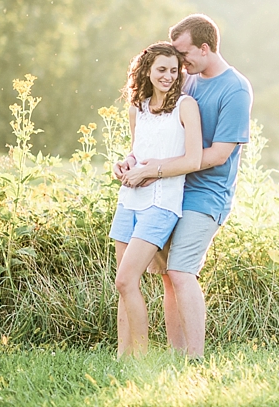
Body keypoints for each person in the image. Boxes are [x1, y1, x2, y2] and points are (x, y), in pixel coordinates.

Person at [115, 14, 252, 358]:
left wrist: (158, 169)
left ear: (204, 49)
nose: (178, 63)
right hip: (170, 190)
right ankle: (177, 353)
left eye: (183, 54)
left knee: (180, 270)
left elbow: (219, 154)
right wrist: (136, 162)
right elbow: (159, 133)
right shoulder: (187, 79)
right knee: (165, 274)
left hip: (206, 194)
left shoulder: (234, 89)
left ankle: (195, 357)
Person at [109, 42, 203, 357]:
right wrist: (123, 164)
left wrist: (154, 173)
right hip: (129, 200)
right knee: (124, 286)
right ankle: (123, 357)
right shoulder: (138, 107)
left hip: (161, 205)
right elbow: (138, 150)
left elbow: (193, 159)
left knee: (126, 280)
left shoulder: (185, 106)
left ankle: (140, 357)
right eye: (161, 69)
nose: (168, 76)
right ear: (147, 70)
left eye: (174, 71)